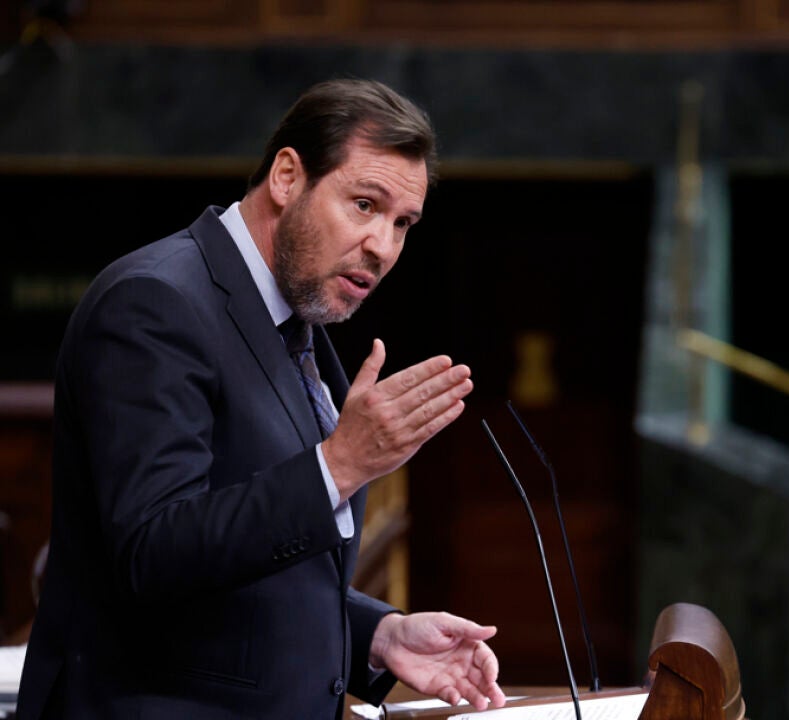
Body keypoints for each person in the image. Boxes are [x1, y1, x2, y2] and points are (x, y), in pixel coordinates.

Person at [16, 78, 507, 719]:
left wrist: (378, 635)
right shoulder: (155, 302)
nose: (383, 247)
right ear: (286, 177)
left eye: (402, 223)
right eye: (364, 204)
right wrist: (341, 464)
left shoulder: (295, 323)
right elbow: (151, 554)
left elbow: (250, 571)